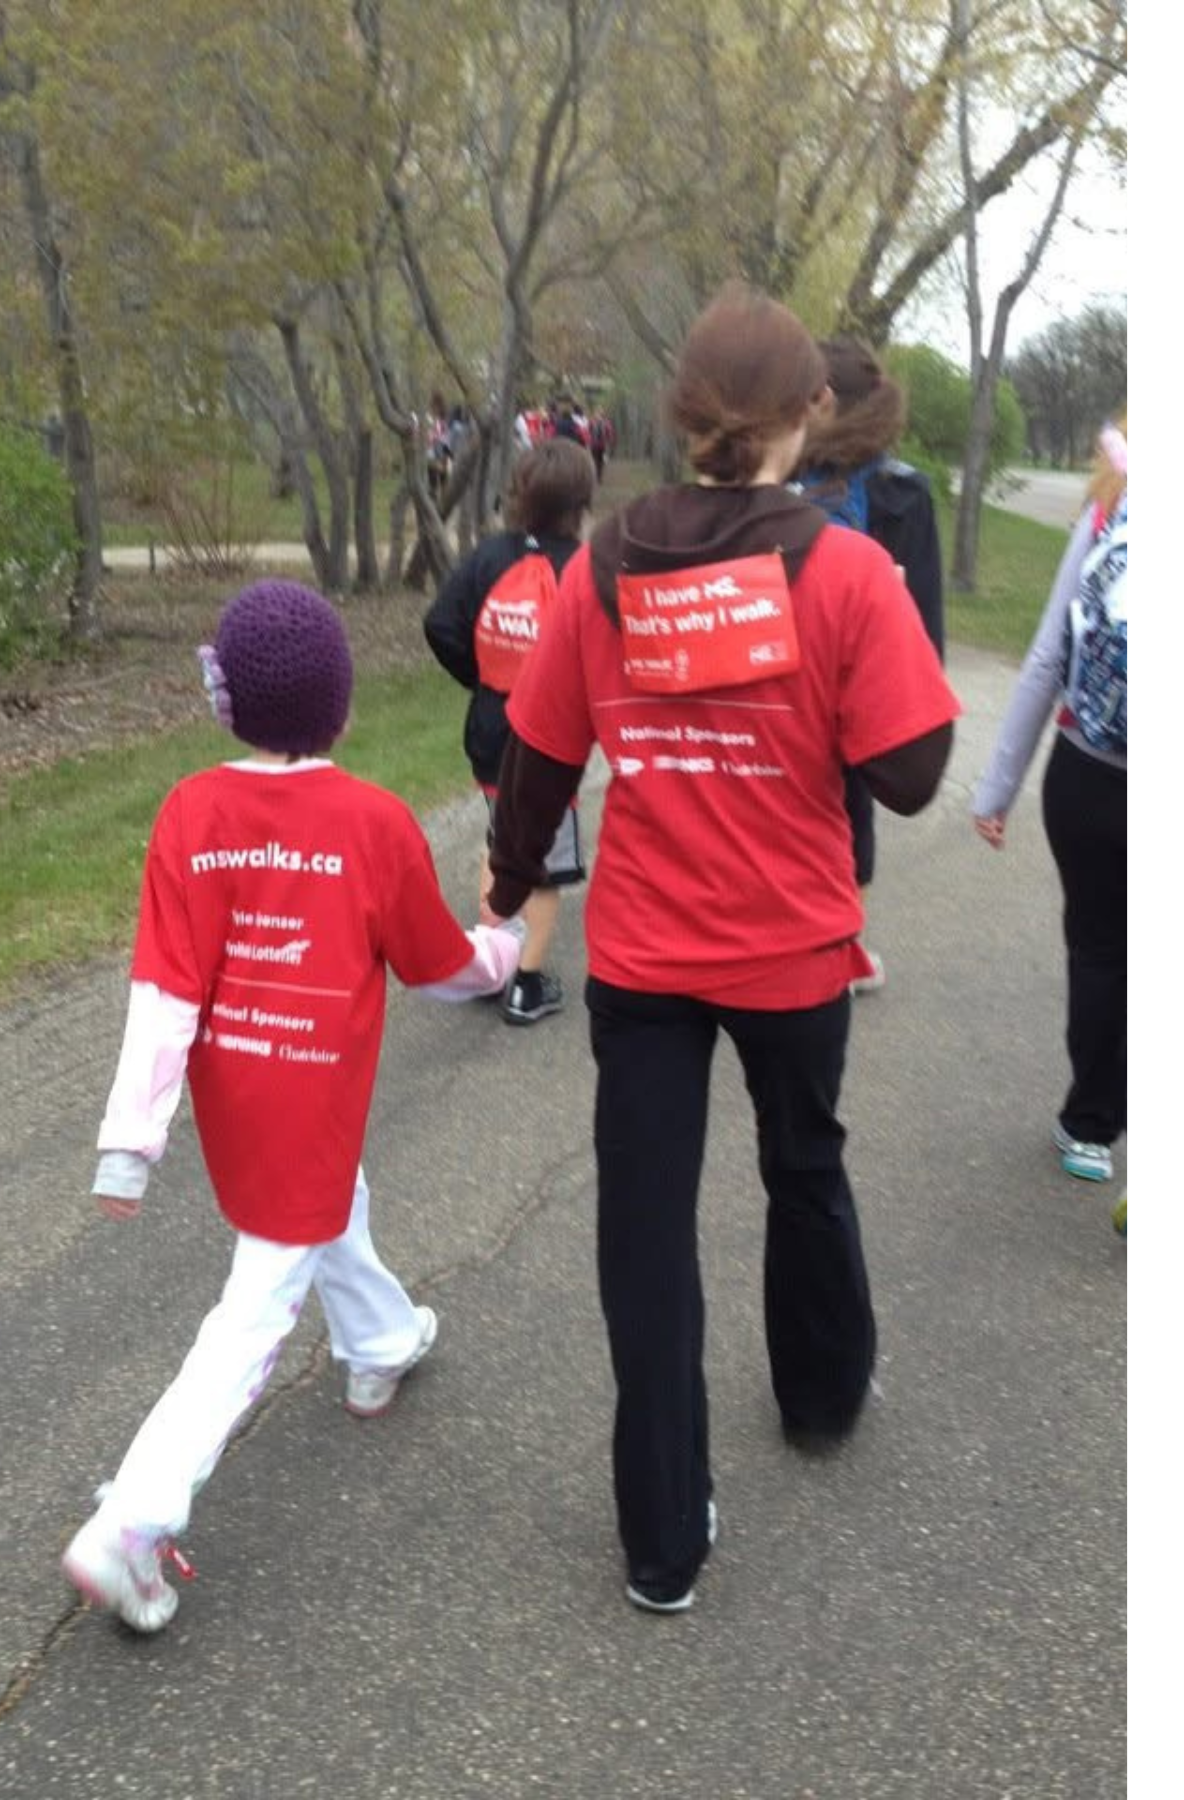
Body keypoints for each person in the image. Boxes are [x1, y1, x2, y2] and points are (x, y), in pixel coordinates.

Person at [485, 284, 959, 1613]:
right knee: (805, 1165)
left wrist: (512, 879)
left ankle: (663, 1537)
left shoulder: (605, 562)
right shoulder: (849, 571)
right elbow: (913, 777)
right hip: (794, 953)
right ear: (811, 414)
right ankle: (819, 1399)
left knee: (647, 1232)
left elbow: (539, 752)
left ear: (684, 417)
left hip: (643, 959)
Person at [62, 580, 523, 1634]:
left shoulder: (191, 812)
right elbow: (436, 961)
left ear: (227, 704)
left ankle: (380, 1345)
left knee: (325, 1216)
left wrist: (133, 1139)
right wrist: (502, 953)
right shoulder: (371, 821)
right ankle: (133, 1520)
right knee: (256, 1309)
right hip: (313, 1096)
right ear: (343, 707)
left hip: (242, 1104)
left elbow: (166, 987)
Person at [972, 420, 1127, 1186]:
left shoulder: (1109, 513)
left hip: (1090, 771)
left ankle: (1091, 1126)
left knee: (1101, 949)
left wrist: (996, 787)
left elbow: (1046, 659)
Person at [424, 438, 595, 1024]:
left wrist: (484, 680)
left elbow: (441, 623)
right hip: (552, 740)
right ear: (582, 501)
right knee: (543, 860)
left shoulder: (487, 555)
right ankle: (524, 983)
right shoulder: (583, 567)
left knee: (502, 839)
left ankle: (490, 956)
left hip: (491, 729)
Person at [795, 336, 945, 994]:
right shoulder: (901, 490)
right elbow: (923, 616)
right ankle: (842, 944)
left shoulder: (781, 479)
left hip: (782, 673)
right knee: (848, 804)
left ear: (825, 400)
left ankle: (821, 937)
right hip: (858, 683)